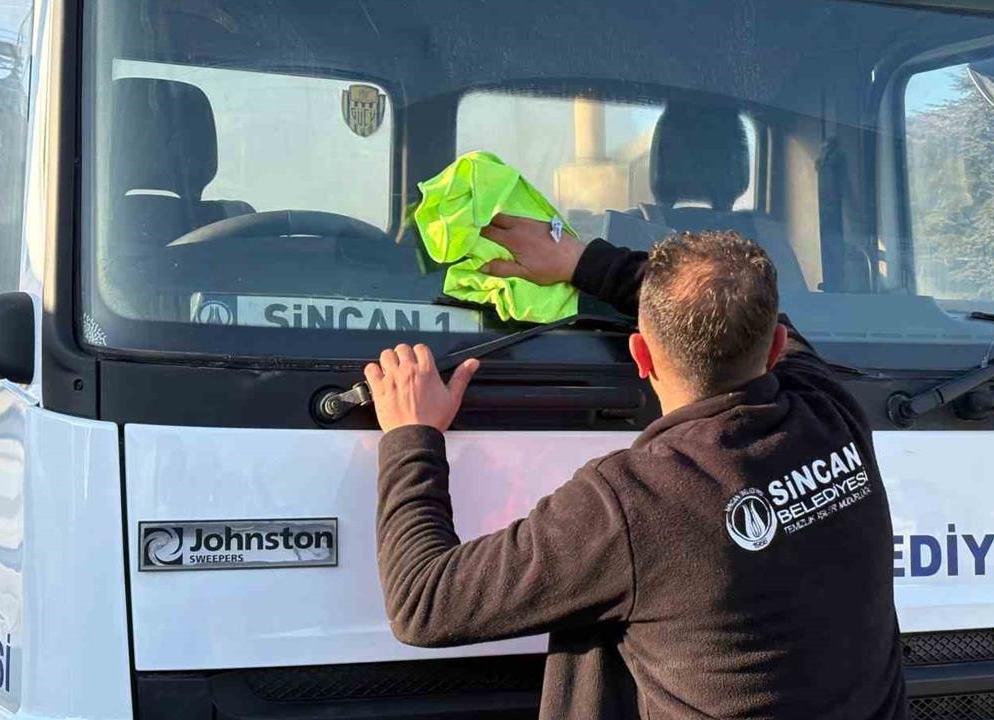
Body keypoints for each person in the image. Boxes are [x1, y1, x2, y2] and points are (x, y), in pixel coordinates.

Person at [366, 218, 907, 720]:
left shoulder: (632, 503)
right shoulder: (832, 411)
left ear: (640, 356)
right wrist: (584, 262)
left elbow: (422, 602)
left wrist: (412, 434)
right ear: (777, 350)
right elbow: (772, 320)